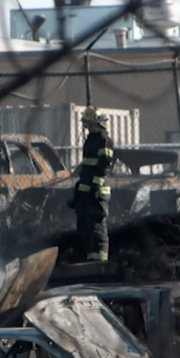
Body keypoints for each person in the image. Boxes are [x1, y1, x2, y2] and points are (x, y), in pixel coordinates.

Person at [69, 107, 115, 261]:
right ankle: (88, 259)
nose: (87, 126)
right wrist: (78, 192)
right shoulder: (90, 140)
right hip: (86, 191)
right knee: (84, 227)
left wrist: (95, 187)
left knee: (96, 226)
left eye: (89, 123)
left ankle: (100, 262)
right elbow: (86, 168)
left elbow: (104, 165)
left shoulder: (103, 140)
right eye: (86, 123)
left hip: (97, 192)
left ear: (98, 123)